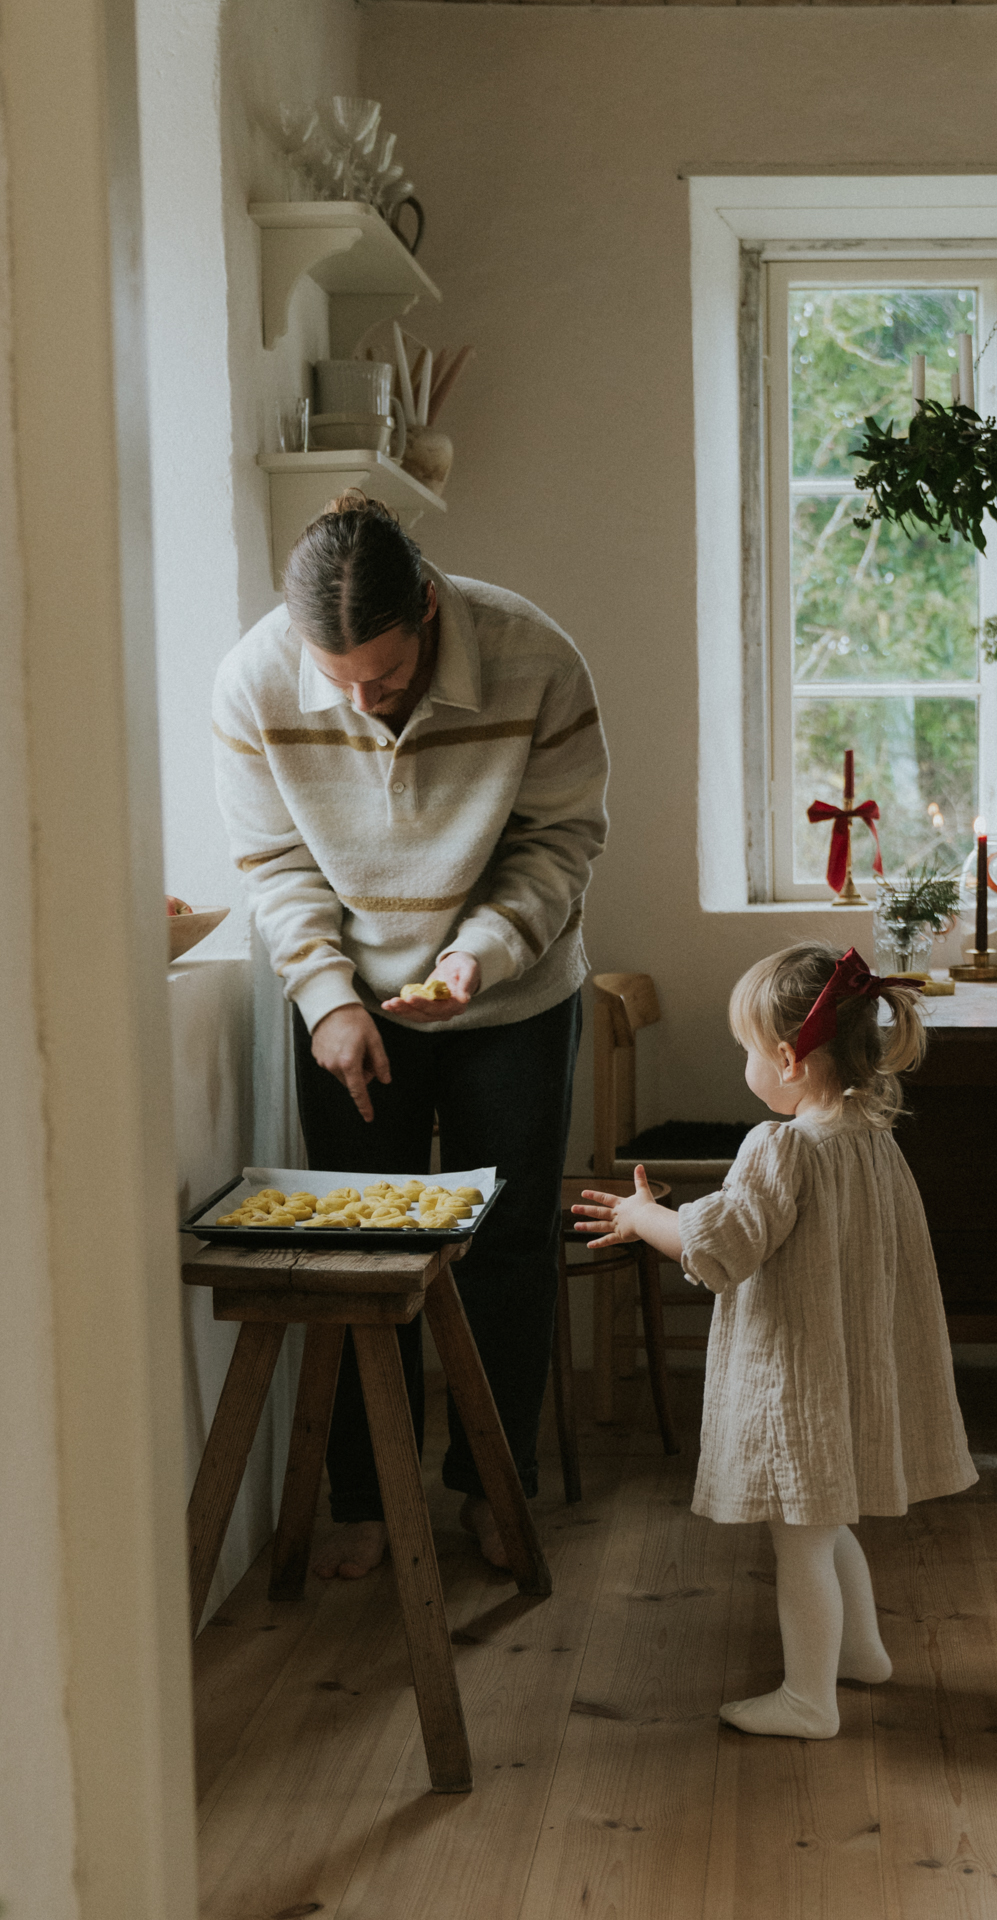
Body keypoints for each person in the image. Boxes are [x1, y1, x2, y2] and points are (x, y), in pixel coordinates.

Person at [213, 491, 608, 1579]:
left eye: (382, 677)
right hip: (345, 999)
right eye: (336, 680)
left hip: (511, 990)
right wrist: (329, 999)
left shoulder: (536, 659)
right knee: (352, 1251)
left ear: (429, 610)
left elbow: (560, 840)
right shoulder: (253, 681)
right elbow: (275, 867)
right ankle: (361, 1497)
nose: (361, 699)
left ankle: (495, 1484)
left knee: (510, 1241)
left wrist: (474, 958)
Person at [574, 942, 976, 1738]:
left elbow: (720, 1246)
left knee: (801, 1542)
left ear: (788, 1060)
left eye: (747, 1050)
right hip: (853, 1370)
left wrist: (640, 1217)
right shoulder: (872, 1134)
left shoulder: (782, 1146)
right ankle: (859, 1653)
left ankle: (808, 1699)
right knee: (828, 1527)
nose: (745, 1064)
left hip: (804, 1381)